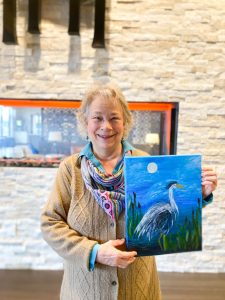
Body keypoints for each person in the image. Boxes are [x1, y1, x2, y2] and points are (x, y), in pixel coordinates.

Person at [41, 83, 218, 300]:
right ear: (85, 122)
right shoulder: (71, 169)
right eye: (97, 117)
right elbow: (50, 224)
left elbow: (170, 214)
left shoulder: (147, 163)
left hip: (137, 290)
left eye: (114, 118)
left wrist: (198, 193)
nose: (106, 126)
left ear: (125, 122)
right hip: (85, 291)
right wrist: (94, 252)